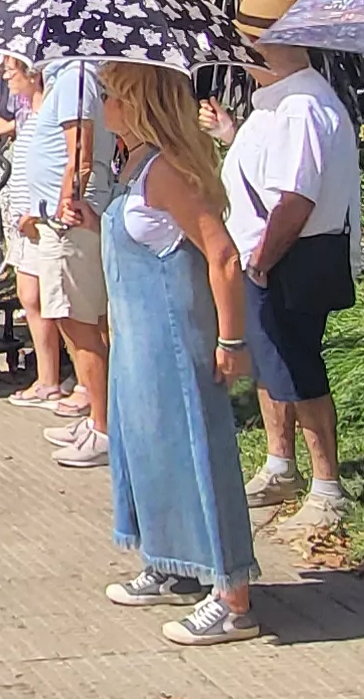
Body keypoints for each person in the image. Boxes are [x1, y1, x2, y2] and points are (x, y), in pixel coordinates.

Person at [91, 62, 267, 647]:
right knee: (149, 452)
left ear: (139, 104)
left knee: (195, 452)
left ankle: (233, 596)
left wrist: (232, 340)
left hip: (173, 338)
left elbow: (223, 256)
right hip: (138, 343)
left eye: (113, 95)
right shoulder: (136, 164)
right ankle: (172, 561)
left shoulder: (168, 172)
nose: (104, 104)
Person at [222, 0, 363, 537]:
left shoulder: (301, 106)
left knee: (299, 367)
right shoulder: (280, 102)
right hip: (270, 255)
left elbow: (295, 199)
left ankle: (327, 486)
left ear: (261, 45)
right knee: (271, 362)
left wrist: (259, 262)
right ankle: (281, 464)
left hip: (287, 257)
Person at [2, 52, 114, 468]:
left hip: (68, 222)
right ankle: (97, 419)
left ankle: (103, 427)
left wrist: (69, 201)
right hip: (52, 217)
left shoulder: (75, 77)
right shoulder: (65, 77)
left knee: (81, 323)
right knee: (69, 318)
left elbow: (79, 151)